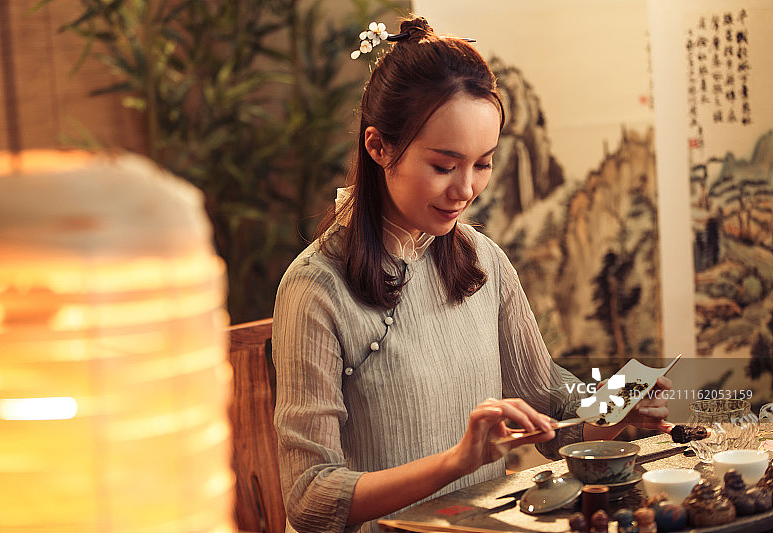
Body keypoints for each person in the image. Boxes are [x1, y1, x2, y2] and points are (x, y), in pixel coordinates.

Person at [271, 16, 672, 533]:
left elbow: (549, 404)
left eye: (483, 163)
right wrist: (458, 461)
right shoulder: (315, 288)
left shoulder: (482, 261)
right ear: (379, 148)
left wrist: (619, 403)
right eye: (444, 166)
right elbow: (309, 499)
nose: (466, 189)